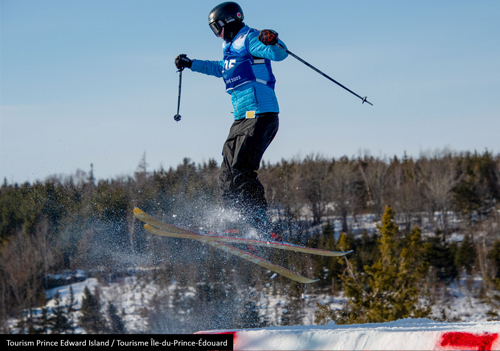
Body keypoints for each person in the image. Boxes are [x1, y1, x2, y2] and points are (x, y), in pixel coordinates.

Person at [175, 1, 287, 241]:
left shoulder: (250, 39)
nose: (216, 34)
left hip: (261, 114)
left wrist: (274, 41)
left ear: (227, 22)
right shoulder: (230, 48)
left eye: (216, 28)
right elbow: (220, 69)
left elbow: (278, 54)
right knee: (227, 172)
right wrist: (191, 64)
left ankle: (263, 225)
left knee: (241, 168)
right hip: (241, 119)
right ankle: (233, 222)